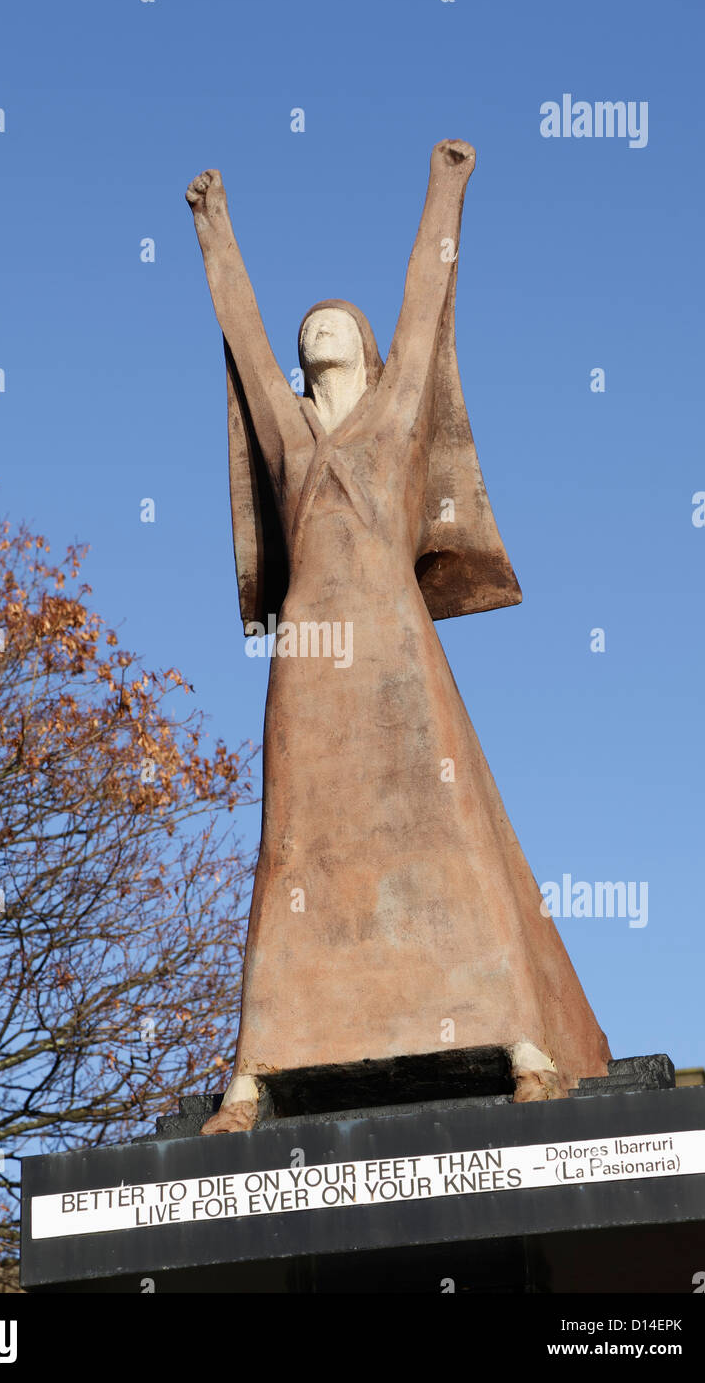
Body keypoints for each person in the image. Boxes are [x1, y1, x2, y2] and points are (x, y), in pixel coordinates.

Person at [185, 143, 611, 1135]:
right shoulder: (290, 439)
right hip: (307, 669)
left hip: (398, 659)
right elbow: (243, 339)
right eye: (309, 325)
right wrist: (214, 232)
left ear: (366, 351)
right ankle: (252, 1074)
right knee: (290, 848)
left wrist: (445, 188)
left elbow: (426, 303)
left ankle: (524, 1044)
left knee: (449, 833)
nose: (316, 325)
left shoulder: (396, 418)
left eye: (336, 321)